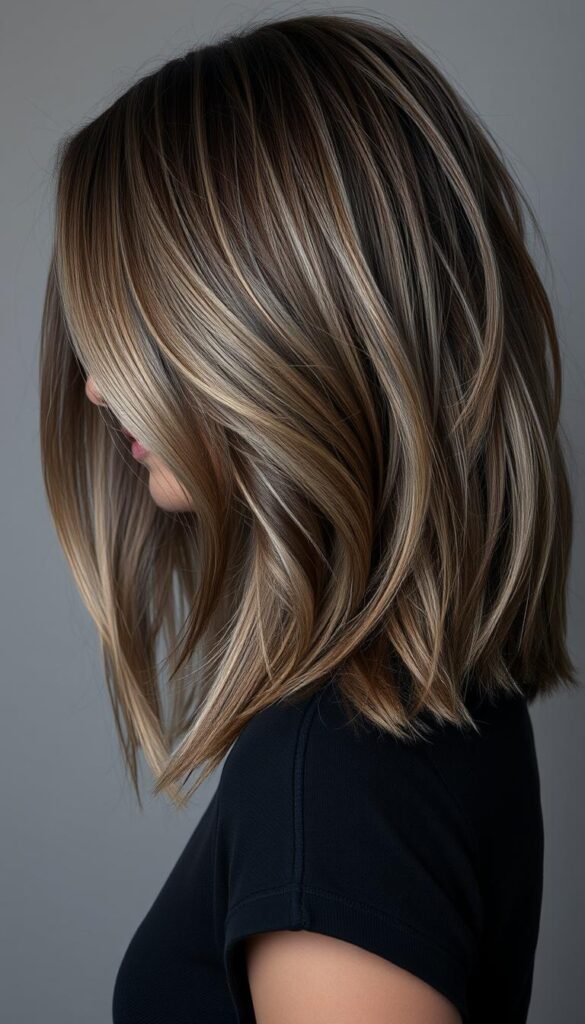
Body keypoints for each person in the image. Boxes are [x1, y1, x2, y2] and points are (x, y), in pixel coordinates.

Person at [38, 12, 577, 1024]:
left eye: (143, 320)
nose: (99, 390)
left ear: (279, 321)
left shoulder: (333, 780)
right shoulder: (422, 717)